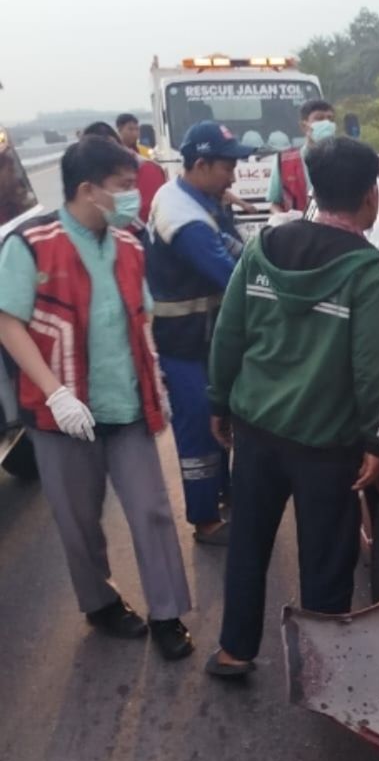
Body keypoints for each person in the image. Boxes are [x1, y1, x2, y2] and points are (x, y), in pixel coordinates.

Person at [205, 136, 379, 678]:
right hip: (326, 444)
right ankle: (322, 673)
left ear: (315, 189)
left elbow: (230, 332)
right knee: (326, 559)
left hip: (256, 429)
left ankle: (234, 651)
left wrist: (219, 400)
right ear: (370, 196)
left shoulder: (263, 246)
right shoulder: (371, 270)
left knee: (248, 542)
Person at [0, 136, 193, 660]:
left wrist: (157, 383)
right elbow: (9, 321)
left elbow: (142, 317)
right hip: (61, 416)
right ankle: (100, 602)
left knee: (152, 510)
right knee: (78, 519)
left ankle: (167, 613)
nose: (134, 196)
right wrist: (56, 393)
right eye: (124, 186)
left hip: (126, 407)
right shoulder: (31, 244)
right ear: (88, 189)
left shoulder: (129, 243)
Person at [146, 121, 255, 546]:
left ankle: (223, 492)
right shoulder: (186, 221)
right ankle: (205, 519)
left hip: (204, 339)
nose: (234, 177)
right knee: (198, 428)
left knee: (218, 419)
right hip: (185, 343)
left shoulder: (192, 196)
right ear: (202, 164)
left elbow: (236, 247)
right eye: (228, 168)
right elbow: (234, 279)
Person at [266, 99, 336, 215]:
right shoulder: (284, 161)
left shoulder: (345, 159)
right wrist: (283, 218)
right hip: (298, 225)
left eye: (330, 119)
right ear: (304, 126)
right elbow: (275, 204)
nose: (327, 124)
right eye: (319, 119)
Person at [93, 119, 166, 226]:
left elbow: (147, 213)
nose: (135, 133)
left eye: (136, 129)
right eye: (131, 129)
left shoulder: (147, 167)